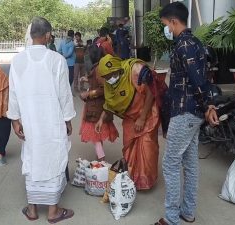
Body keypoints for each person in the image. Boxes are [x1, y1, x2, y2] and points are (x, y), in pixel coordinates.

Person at [154, 2, 218, 225]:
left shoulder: (185, 45)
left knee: (170, 163)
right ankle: (188, 212)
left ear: (174, 21)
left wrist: (209, 105)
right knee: (190, 163)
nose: (167, 30)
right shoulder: (192, 42)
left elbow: (199, 80)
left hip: (186, 111)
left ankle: (172, 219)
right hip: (191, 111)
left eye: (166, 25)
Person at [7, 17, 76, 223]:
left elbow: (13, 93)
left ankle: (32, 210)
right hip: (52, 121)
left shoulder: (17, 61)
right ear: (47, 36)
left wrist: (15, 119)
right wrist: (68, 119)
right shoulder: (57, 60)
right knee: (54, 158)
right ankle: (53, 212)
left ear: (31, 35)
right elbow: (64, 95)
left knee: (32, 157)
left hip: (29, 121)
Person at [95, 54, 160, 190]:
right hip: (130, 119)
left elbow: (151, 92)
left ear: (117, 68)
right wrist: (101, 119)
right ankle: (132, 178)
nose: (109, 79)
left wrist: (142, 118)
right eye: (106, 77)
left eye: (111, 74)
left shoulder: (135, 70)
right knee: (129, 148)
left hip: (147, 115)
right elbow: (109, 103)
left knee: (147, 148)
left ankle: (145, 181)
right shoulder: (109, 85)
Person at [79, 45, 119, 161]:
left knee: (95, 137)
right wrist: (87, 79)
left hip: (97, 107)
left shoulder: (98, 69)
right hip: (98, 106)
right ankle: (100, 159)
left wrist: (88, 94)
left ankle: (101, 160)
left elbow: (104, 88)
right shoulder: (99, 67)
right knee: (97, 134)